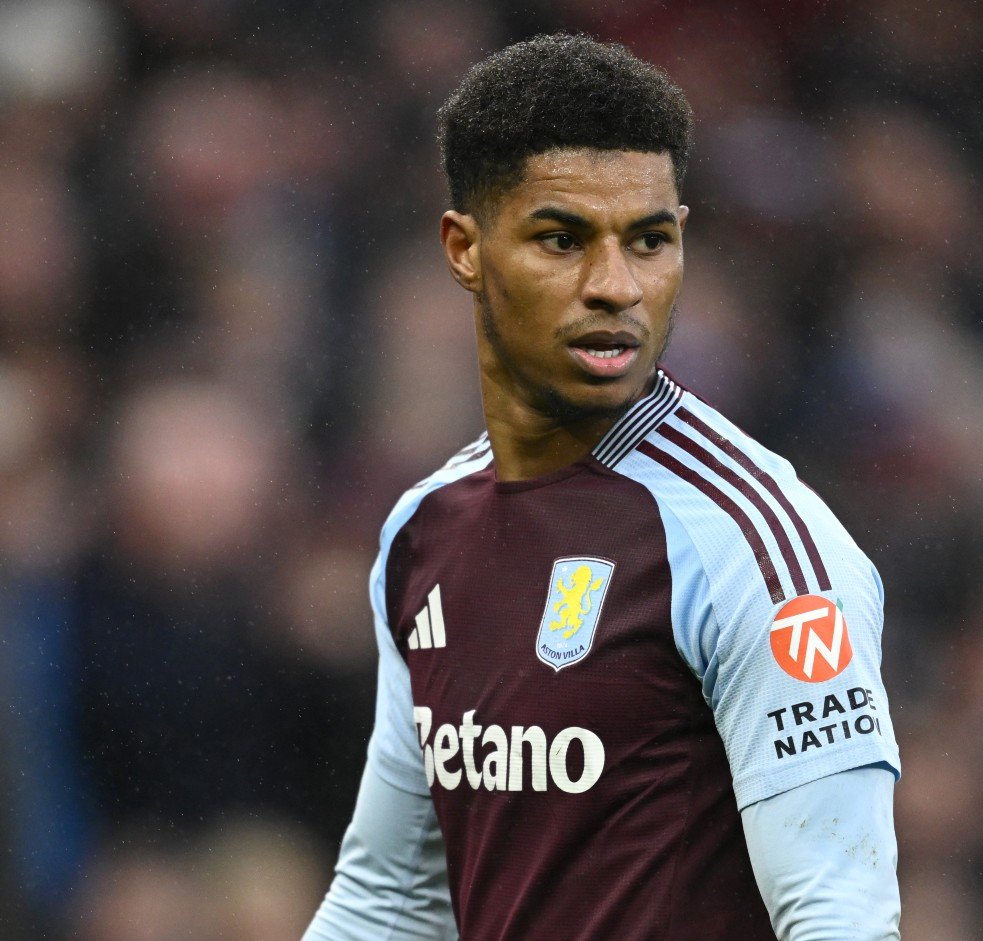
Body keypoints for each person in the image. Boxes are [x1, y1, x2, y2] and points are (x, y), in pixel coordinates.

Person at [305, 33, 901, 941]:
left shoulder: (756, 542)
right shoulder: (424, 528)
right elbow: (391, 899)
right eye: (562, 238)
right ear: (464, 249)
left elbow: (839, 915)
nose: (616, 286)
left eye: (649, 241)